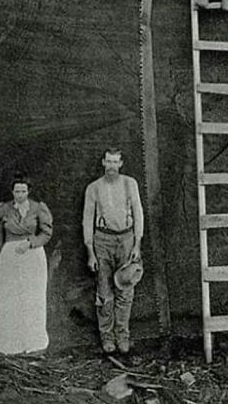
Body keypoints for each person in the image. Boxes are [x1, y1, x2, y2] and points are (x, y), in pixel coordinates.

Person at [82, 148, 144, 355]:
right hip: (102, 241)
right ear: (102, 163)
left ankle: (122, 336)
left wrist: (137, 244)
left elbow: (138, 213)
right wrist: (90, 250)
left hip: (126, 240)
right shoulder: (94, 188)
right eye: (108, 161)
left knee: (125, 290)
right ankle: (106, 337)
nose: (111, 166)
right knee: (104, 292)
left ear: (121, 163)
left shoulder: (130, 183)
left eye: (115, 162)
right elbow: (87, 219)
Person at [0, 174, 53, 356]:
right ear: (12, 191)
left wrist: (31, 243)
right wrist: (4, 253)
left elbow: (46, 233)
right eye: (16, 191)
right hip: (10, 256)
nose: (20, 195)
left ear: (28, 191)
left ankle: (31, 341)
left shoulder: (38, 208)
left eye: (23, 191)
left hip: (33, 256)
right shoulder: (4, 208)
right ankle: (7, 342)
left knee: (31, 297)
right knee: (9, 297)